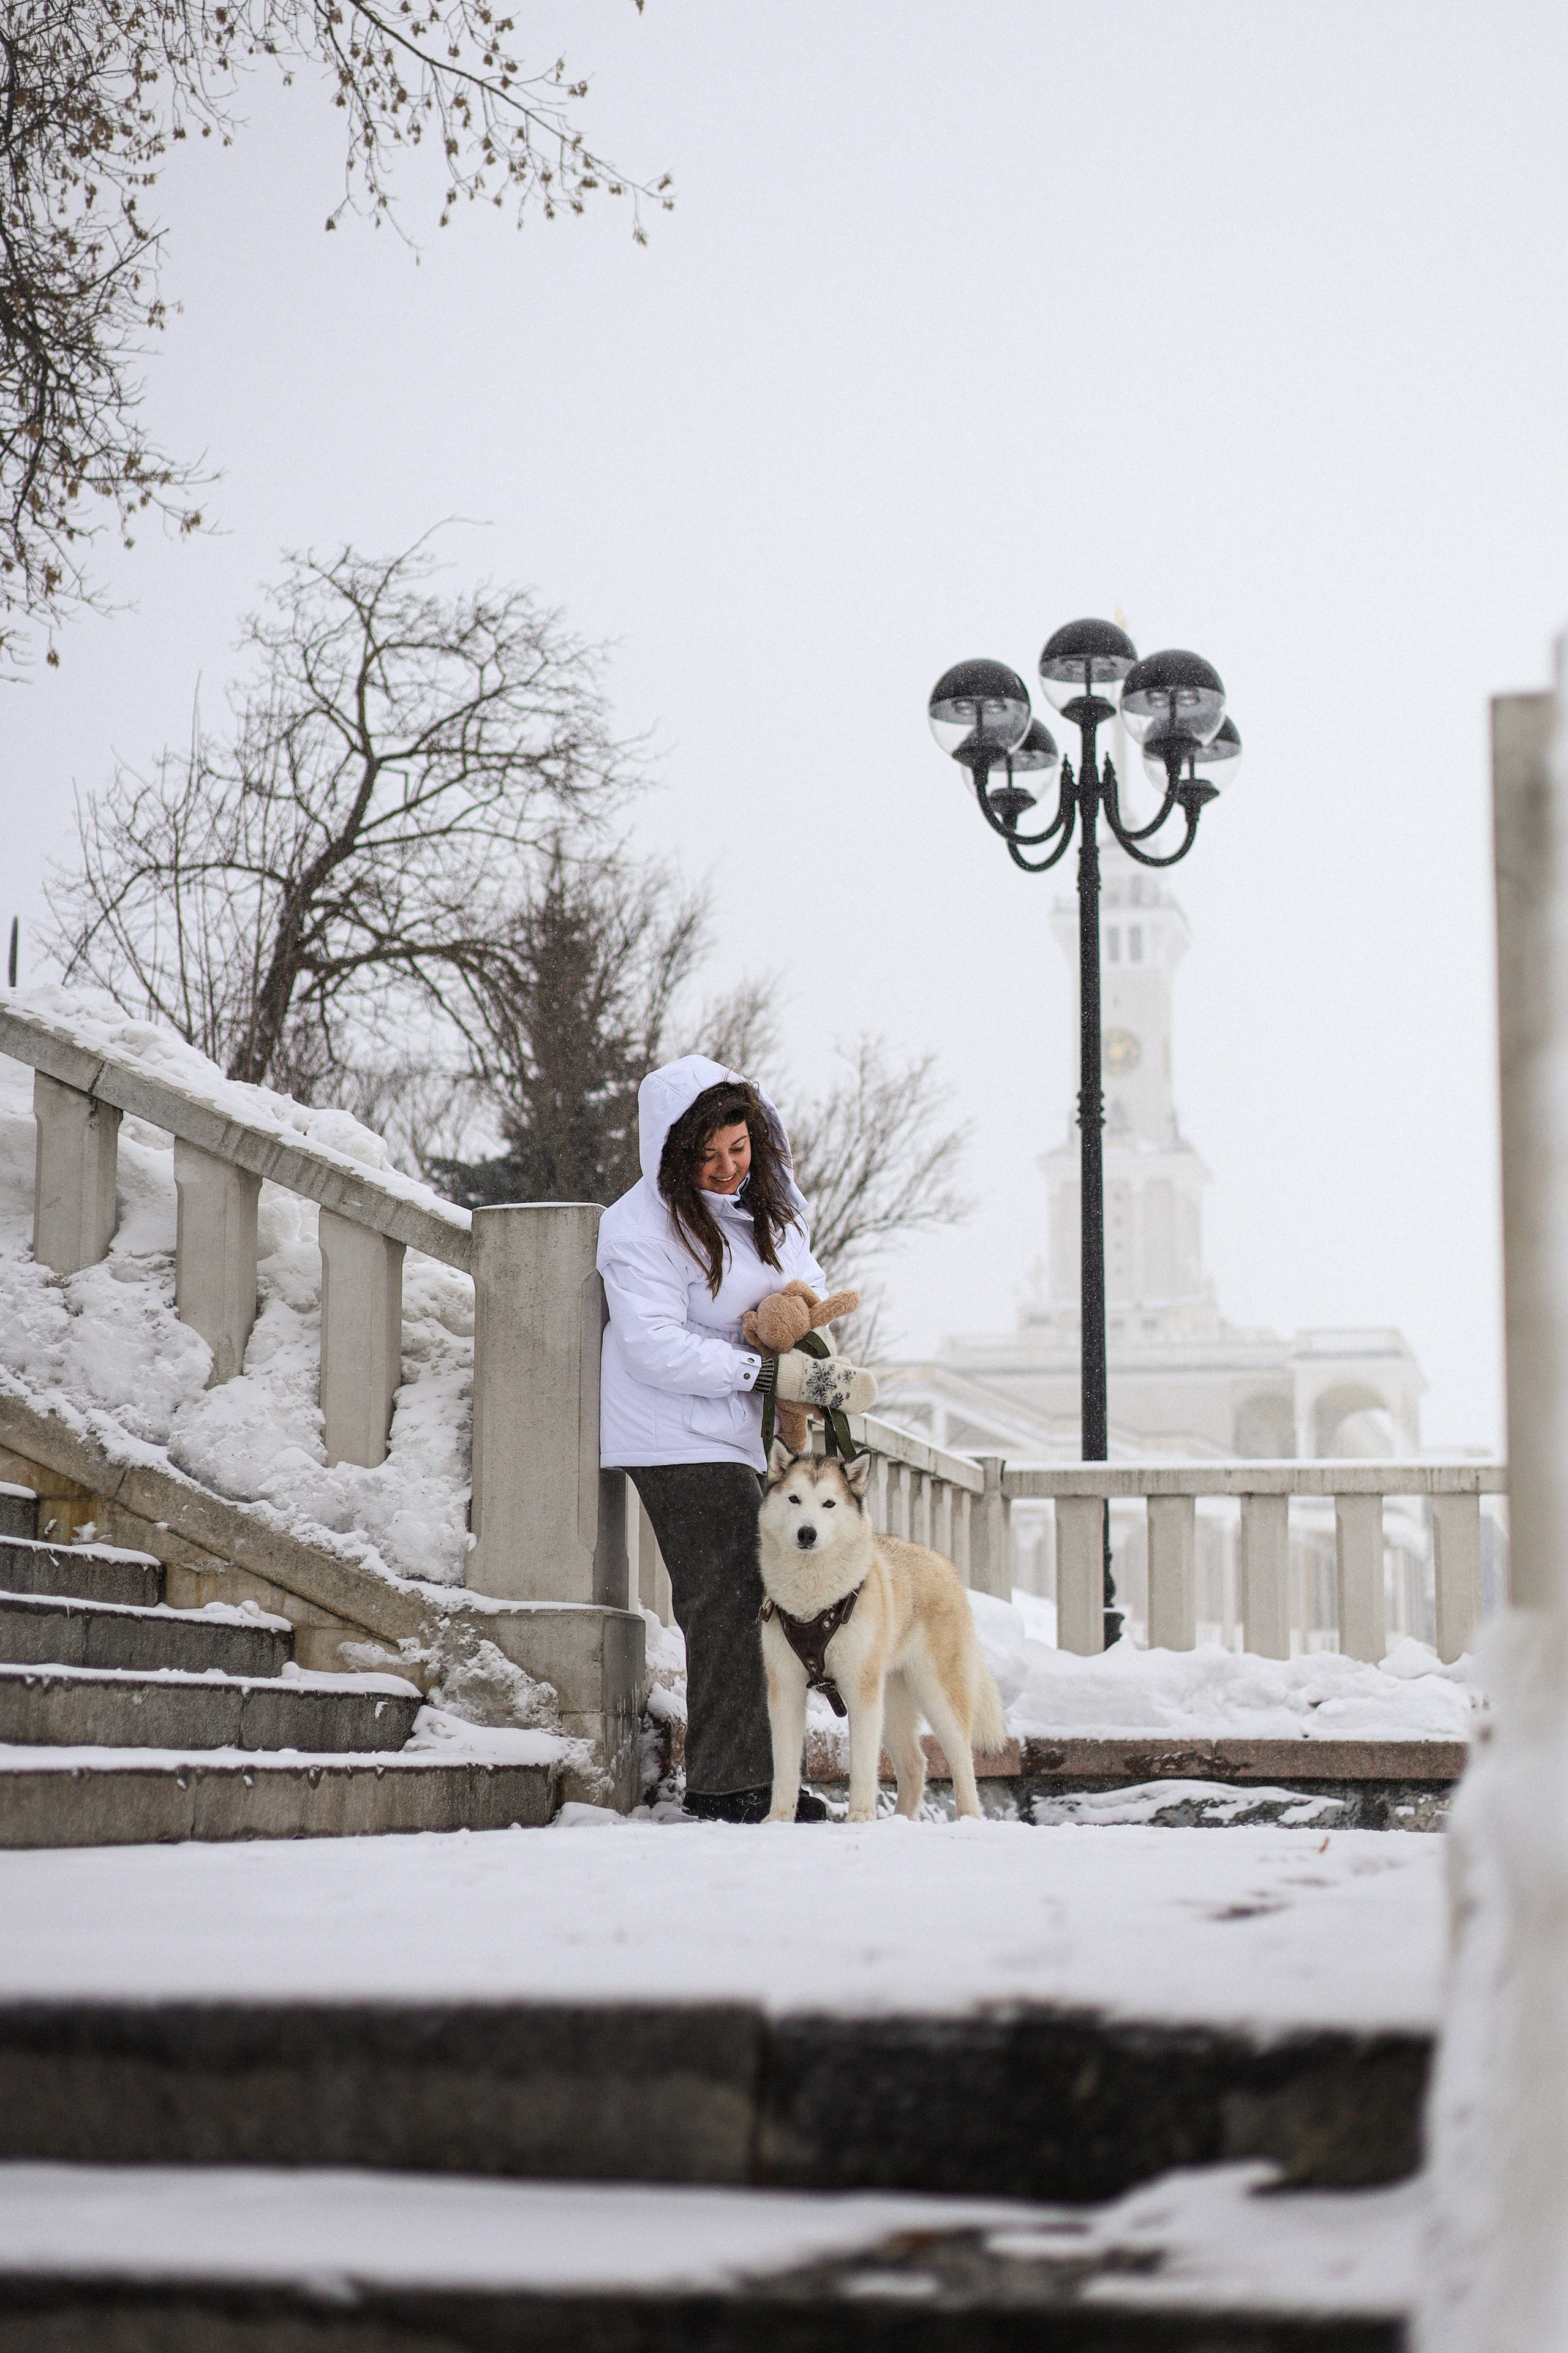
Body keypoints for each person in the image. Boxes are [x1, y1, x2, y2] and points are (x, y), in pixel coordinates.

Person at [598, 1056, 874, 1823]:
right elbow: (650, 1344)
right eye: (709, 1156)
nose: (727, 1169)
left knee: (779, 1579)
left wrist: (795, 1320)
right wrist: (761, 1376)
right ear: (673, 1153)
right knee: (728, 1590)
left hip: (733, 1433)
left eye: (740, 1149)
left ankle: (763, 1773)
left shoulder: (764, 1211)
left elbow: (802, 1280)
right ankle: (728, 1785)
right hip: (669, 1432)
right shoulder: (639, 1228)